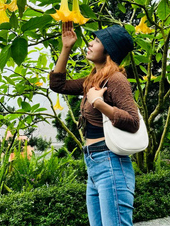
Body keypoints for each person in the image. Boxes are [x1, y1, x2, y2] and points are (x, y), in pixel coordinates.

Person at [49, 21, 140, 226]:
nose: (90, 43)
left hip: (111, 163)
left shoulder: (116, 79)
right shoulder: (93, 80)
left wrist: (98, 103)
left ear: (109, 50)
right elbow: (58, 84)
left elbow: (133, 121)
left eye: (97, 41)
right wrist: (66, 48)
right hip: (94, 164)